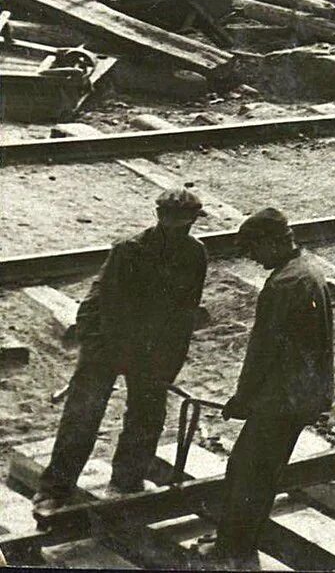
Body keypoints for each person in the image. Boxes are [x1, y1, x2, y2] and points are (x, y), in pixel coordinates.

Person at [33, 189, 208, 522]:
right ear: (159, 219)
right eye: (172, 224)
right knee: (84, 413)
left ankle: (127, 479)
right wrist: (112, 353)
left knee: (147, 413)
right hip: (106, 338)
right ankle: (54, 489)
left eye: (184, 225)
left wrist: (169, 363)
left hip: (152, 346)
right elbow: (110, 308)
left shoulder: (195, 254)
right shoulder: (129, 250)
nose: (178, 231)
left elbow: (185, 312)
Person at [205, 208, 333, 567]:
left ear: (273, 242)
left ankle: (233, 552)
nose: (252, 258)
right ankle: (241, 543)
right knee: (264, 472)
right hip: (301, 394)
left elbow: (262, 350)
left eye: (253, 249)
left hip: (280, 397)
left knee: (246, 473)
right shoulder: (306, 270)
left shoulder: (283, 284)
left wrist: (242, 399)